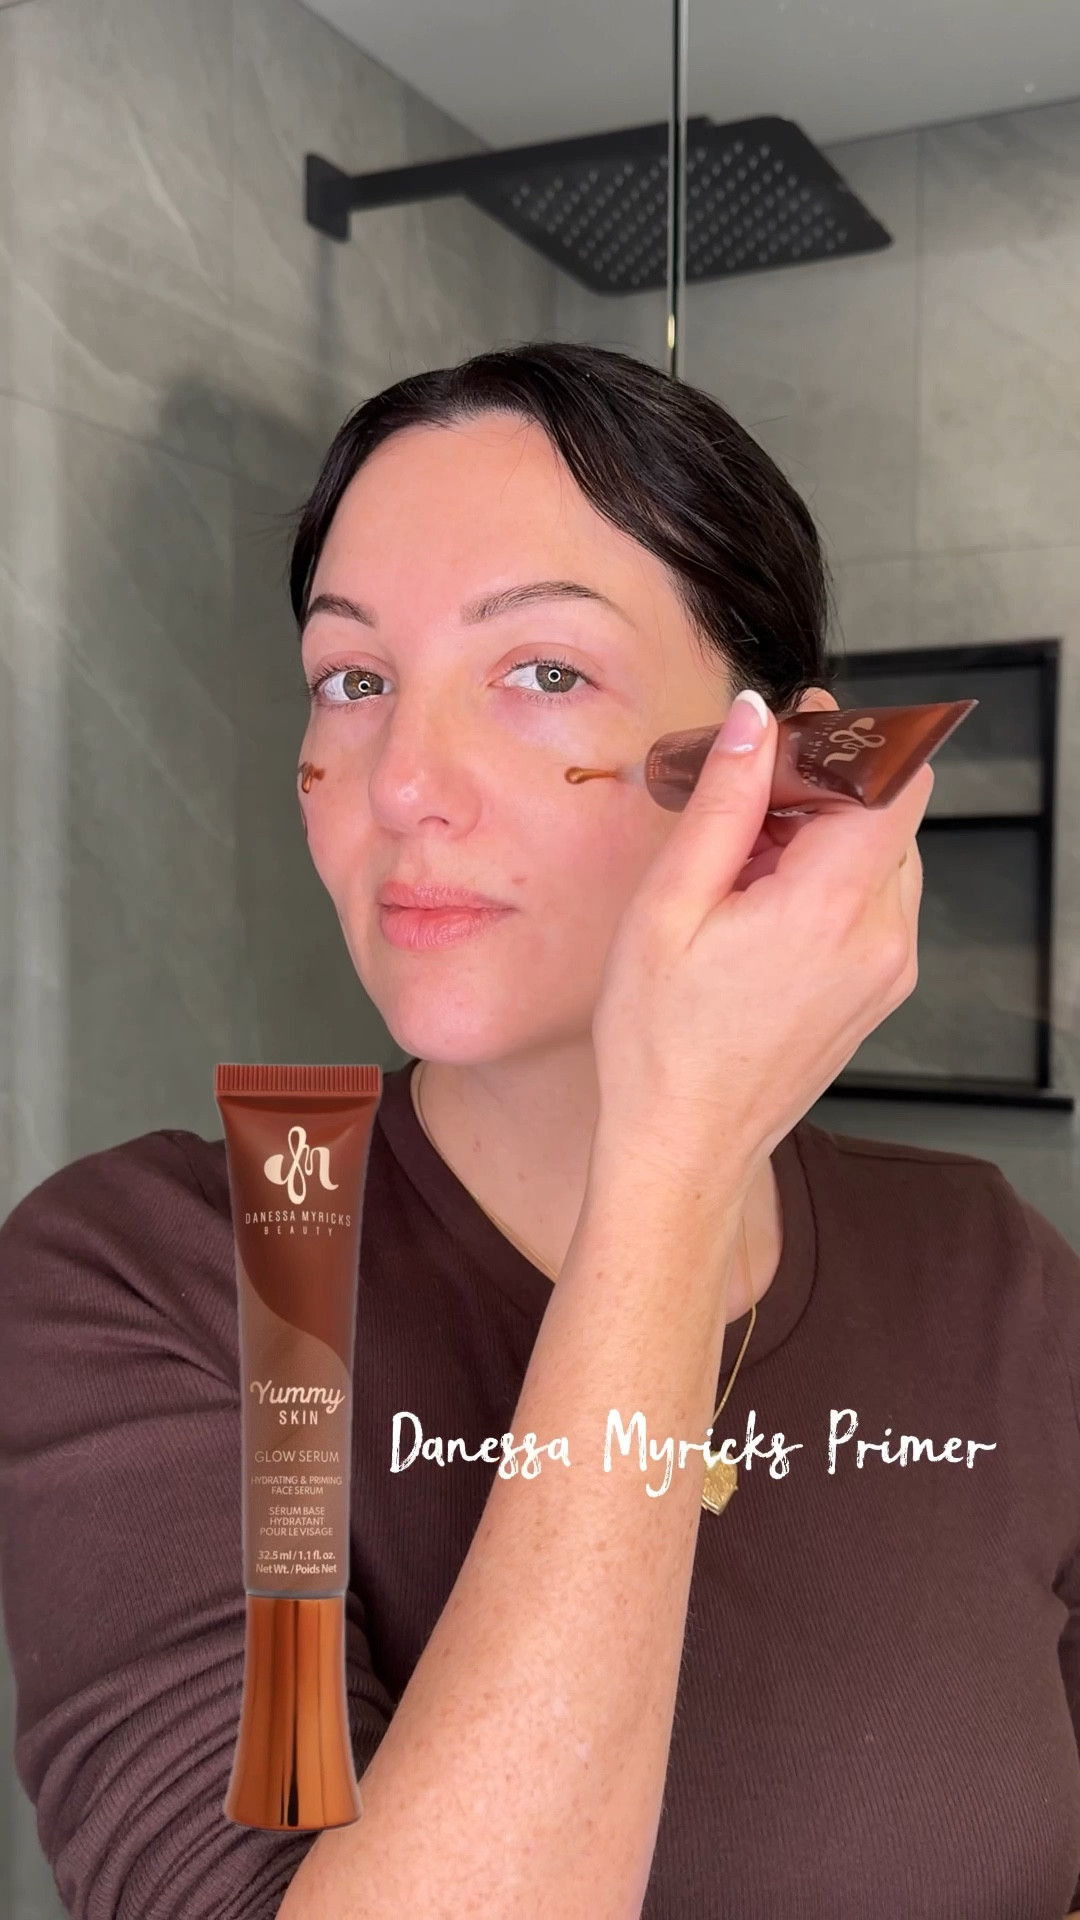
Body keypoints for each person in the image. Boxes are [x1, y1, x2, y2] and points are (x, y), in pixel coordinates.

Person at [0, 340, 1077, 1920]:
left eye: (544, 672)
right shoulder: (164, 1276)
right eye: (353, 679)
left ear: (785, 775)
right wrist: (675, 1164)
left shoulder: (997, 1277)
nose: (405, 783)